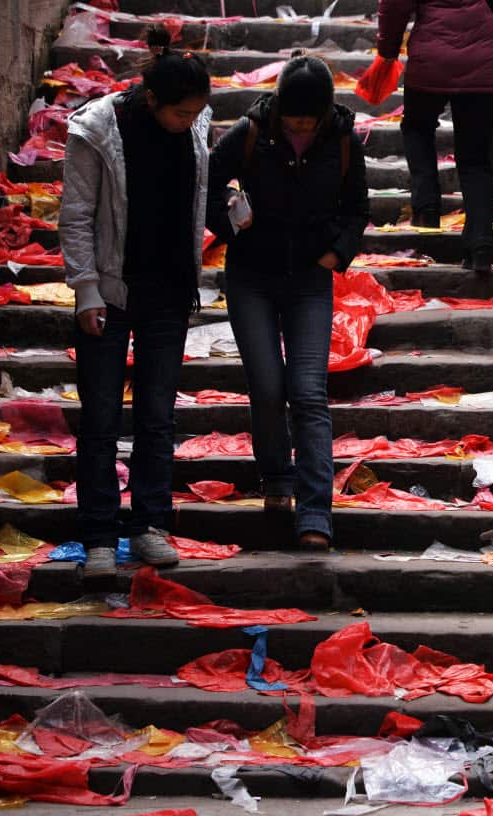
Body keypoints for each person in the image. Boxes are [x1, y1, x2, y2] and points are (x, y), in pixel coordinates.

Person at [60, 27, 212, 581]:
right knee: (100, 419)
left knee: (156, 417)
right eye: (181, 114)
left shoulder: (195, 125)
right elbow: (76, 214)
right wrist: (85, 289)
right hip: (109, 291)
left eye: (198, 114)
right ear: (153, 101)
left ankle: (149, 523)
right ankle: (99, 533)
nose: (190, 124)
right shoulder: (98, 130)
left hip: (169, 292)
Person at [206, 56, 369, 550]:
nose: (300, 125)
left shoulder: (341, 140)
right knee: (268, 386)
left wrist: (335, 254)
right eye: (294, 117)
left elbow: (357, 208)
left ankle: (316, 513)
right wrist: (230, 220)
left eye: (308, 118)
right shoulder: (252, 132)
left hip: (309, 282)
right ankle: (277, 481)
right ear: (279, 108)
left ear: (323, 112)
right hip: (251, 276)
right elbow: (206, 183)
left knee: (309, 392)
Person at [376, 0, 493, 273]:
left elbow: (394, 6)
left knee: (417, 127)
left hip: (430, 55)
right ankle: (480, 244)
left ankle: (427, 205)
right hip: (483, 52)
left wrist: (388, 52)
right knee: (475, 159)